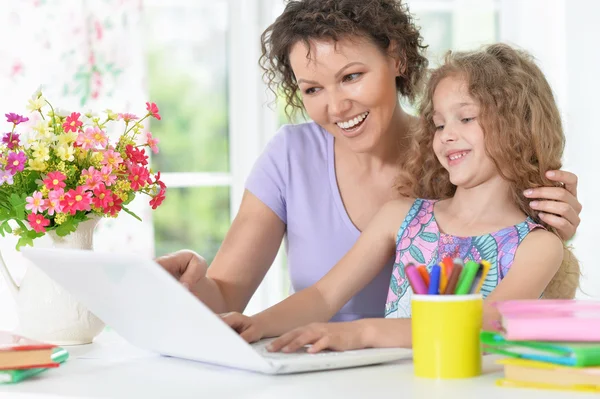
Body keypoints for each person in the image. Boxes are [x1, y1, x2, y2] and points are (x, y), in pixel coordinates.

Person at [157, 0, 582, 322]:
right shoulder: (291, 156)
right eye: (312, 90)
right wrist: (192, 285)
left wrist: (551, 226)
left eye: (351, 76)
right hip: (319, 370)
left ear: (395, 58)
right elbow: (228, 302)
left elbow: (513, 303)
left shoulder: (462, 158)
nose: (336, 106)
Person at [220, 43, 581, 353]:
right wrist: (255, 325)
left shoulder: (536, 246)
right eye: (439, 124)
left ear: (519, 127)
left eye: (466, 118)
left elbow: (486, 322)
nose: (447, 136)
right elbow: (323, 297)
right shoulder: (401, 217)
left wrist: (364, 331)